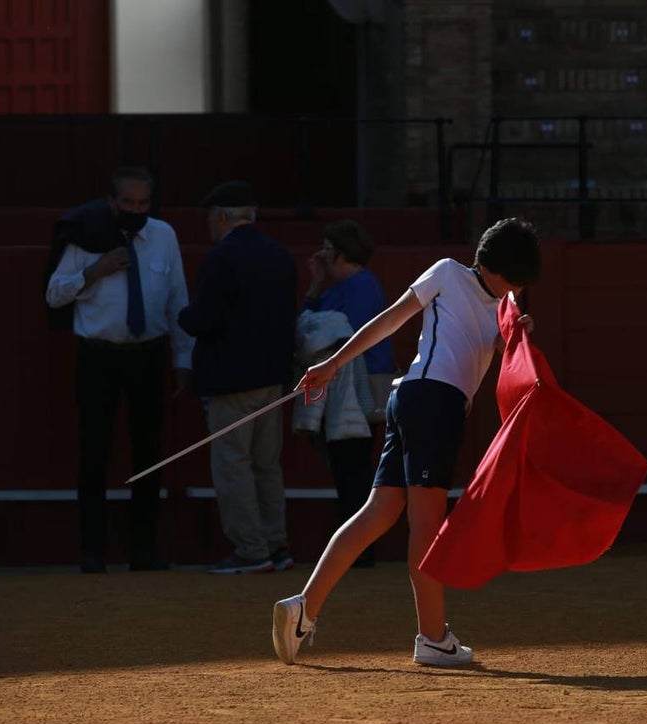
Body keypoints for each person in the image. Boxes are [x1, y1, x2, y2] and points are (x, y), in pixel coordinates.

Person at [272, 217, 542, 667]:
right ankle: (432, 637)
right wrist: (333, 364)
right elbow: (392, 321)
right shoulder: (469, 283)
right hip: (437, 405)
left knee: (378, 513)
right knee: (426, 524)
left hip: (409, 397)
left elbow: (395, 322)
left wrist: (517, 333)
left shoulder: (474, 289)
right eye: (515, 279)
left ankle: (304, 607)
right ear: (502, 271)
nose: (516, 288)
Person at [45, 166, 193, 574]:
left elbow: (177, 300)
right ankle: (92, 551)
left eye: (142, 203)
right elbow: (54, 295)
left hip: (148, 354)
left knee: (149, 453)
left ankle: (143, 550)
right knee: (94, 451)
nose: (135, 209)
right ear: (112, 202)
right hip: (98, 355)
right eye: (127, 203)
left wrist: (183, 360)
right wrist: (94, 270)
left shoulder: (162, 235)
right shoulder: (86, 234)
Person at [177, 181, 298, 575]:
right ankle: (275, 543)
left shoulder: (223, 258)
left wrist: (182, 316)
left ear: (223, 217)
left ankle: (251, 549)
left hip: (231, 379)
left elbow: (202, 319)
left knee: (234, 464)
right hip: (273, 377)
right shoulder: (279, 255)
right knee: (266, 464)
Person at [300, 219, 394, 568]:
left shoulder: (359, 286)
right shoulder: (346, 286)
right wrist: (315, 284)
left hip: (356, 390)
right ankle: (357, 549)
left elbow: (327, 334)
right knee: (349, 468)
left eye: (327, 247)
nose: (321, 254)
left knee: (352, 468)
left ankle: (359, 550)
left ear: (340, 252)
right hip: (348, 390)